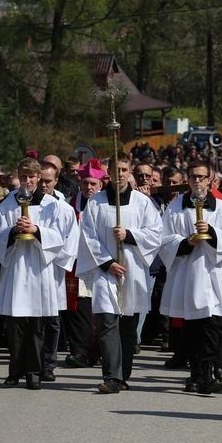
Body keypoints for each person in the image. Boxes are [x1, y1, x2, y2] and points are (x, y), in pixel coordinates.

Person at [159, 159, 222, 394]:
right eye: (192, 177)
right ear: (187, 179)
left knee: (213, 326)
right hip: (189, 274)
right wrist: (186, 242)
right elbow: (164, 239)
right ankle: (196, 374)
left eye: (201, 177)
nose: (196, 181)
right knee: (193, 328)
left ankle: (207, 372)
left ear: (210, 179)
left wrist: (212, 232)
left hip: (215, 274)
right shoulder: (176, 206)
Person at [76, 154, 162, 393]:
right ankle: (111, 376)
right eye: (116, 170)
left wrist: (130, 235)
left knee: (127, 325)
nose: (120, 174)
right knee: (106, 322)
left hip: (133, 270)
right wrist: (106, 263)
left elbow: (156, 233)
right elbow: (88, 236)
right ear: (109, 173)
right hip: (107, 271)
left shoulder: (142, 202)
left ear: (130, 171)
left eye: (124, 169)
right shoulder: (96, 203)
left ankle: (123, 374)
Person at [0, 157, 71, 390]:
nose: (27, 181)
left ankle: (34, 372)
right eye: (23, 176)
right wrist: (13, 231)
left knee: (36, 326)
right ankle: (15, 370)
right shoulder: (8, 204)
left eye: (31, 177)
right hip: (16, 270)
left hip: (39, 270)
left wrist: (36, 230)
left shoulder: (52, 206)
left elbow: (62, 238)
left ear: (38, 178)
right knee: (15, 327)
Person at [37, 161, 79, 381]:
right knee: (32, 320)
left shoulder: (63, 208)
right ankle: (32, 362)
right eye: (40, 180)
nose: (43, 185)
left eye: (48, 181)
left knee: (52, 320)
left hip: (53, 270)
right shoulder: (25, 204)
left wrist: (55, 258)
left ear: (56, 181)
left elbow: (71, 240)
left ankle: (48, 364)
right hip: (32, 271)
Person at [62, 159, 104, 369]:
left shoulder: (108, 205)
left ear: (101, 185)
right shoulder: (70, 206)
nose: (89, 187)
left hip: (103, 264)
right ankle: (79, 351)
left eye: (93, 184)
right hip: (78, 265)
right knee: (79, 309)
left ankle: (99, 351)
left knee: (101, 310)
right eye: (85, 183)